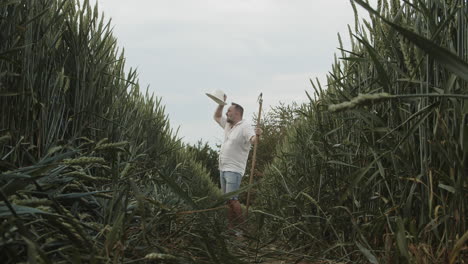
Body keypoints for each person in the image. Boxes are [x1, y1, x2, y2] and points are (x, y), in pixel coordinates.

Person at [213, 95, 262, 234]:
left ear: (237, 113)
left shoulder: (245, 126)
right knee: (227, 201)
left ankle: (243, 229)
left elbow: (252, 140)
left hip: (234, 169)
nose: (226, 113)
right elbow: (216, 116)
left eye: (229, 110)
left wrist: (257, 135)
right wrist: (221, 103)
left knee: (233, 200)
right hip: (223, 167)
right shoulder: (229, 124)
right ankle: (230, 229)